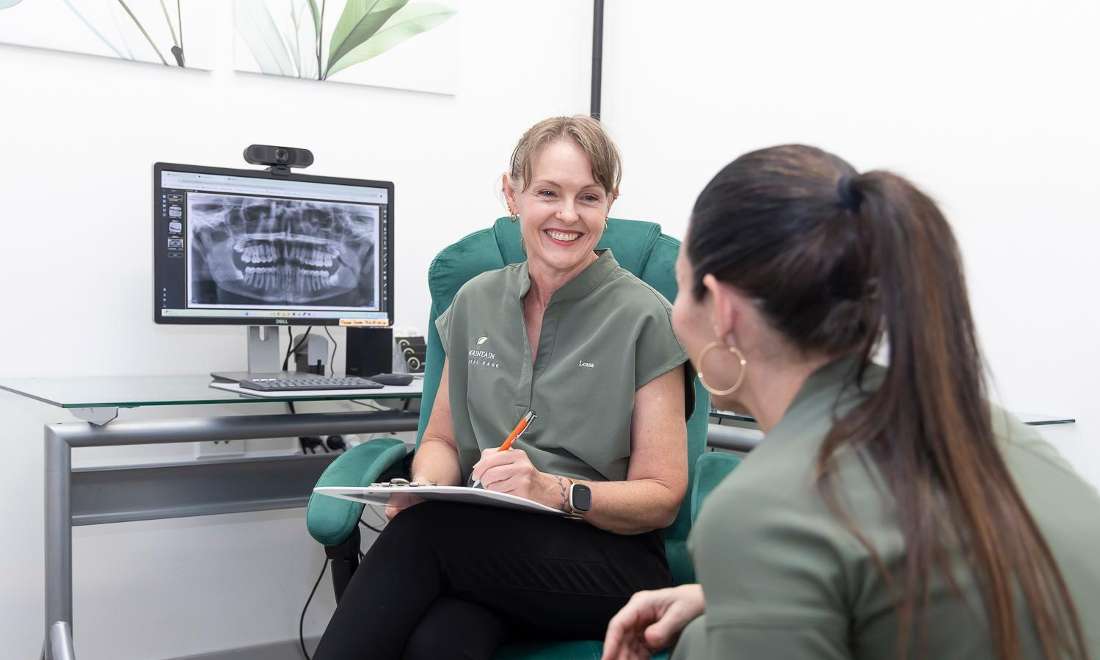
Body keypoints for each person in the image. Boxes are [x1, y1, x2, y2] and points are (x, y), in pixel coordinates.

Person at [602, 145, 1100, 660]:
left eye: (682, 288)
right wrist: (732, 598)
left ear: (723, 310)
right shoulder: (997, 433)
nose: (676, 313)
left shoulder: (765, 509)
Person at [313, 115, 690, 660]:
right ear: (512, 194)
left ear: (610, 203)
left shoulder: (647, 317)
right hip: (486, 549)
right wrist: (425, 484)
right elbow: (441, 440)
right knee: (440, 639)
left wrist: (552, 490)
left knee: (424, 536)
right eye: (548, 193)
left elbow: (661, 497)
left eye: (588, 197)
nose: (567, 214)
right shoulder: (475, 300)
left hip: (610, 560)